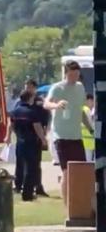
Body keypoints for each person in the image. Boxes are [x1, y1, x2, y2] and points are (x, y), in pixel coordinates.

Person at [45, 60, 92, 196]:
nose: (75, 78)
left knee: (81, 171)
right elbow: (46, 104)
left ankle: (81, 202)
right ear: (66, 74)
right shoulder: (57, 87)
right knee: (67, 171)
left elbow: (80, 111)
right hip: (61, 137)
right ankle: (68, 206)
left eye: (77, 74)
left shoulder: (80, 87)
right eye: (72, 75)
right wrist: (56, 105)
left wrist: (90, 128)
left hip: (76, 136)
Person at [9, 88, 47, 201]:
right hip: (31, 143)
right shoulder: (32, 112)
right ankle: (27, 194)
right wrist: (43, 139)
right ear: (30, 98)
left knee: (21, 166)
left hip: (20, 142)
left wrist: (9, 136)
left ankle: (19, 187)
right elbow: (37, 127)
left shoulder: (15, 112)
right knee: (31, 169)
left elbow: (11, 125)